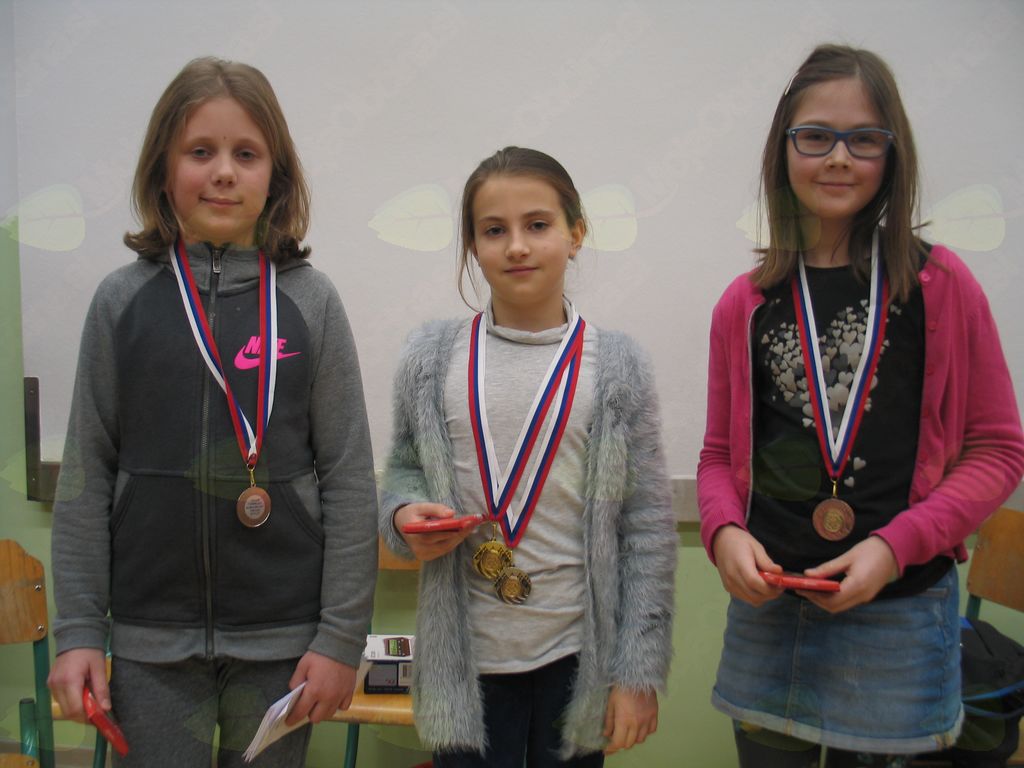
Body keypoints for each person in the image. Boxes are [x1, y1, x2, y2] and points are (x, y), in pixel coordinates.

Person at [697, 43, 1024, 768]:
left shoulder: (941, 286)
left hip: (898, 618)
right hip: (768, 615)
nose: (838, 158)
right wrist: (721, 532)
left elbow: (998, 450)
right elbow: (719, 455)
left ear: (892, 152)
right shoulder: (744, 303)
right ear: (783, 150)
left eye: (864, 139)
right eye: (815, 136)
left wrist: (894, 546)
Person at [47, 57, 379, 767]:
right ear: (162, 172)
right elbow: (85, 476)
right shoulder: (120, 302)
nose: (223, 172)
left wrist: (340, 639)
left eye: (246, 154)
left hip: (284, 644)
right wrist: (77, 632)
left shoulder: (311, 301)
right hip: (150, 644)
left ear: (276, 177)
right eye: (200, 151)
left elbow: (350, 479)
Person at [378, 146, 677, 767]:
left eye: (537, 224)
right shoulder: (431, 359)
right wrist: (404, 514)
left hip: (576, 659)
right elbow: (405, 469)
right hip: (465, 660)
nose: (516, 246)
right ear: (472, 245)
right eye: (494, 230)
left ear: (576, 233)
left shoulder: (616, 366)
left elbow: (646, 527)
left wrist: (639, 671)